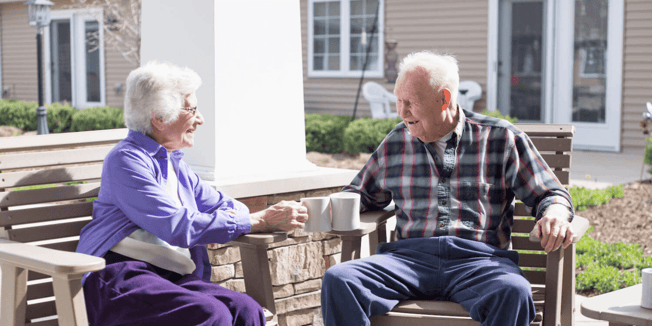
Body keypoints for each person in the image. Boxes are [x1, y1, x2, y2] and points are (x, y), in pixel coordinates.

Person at [321, 51, 575, 326]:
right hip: (407, 261)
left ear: (444, 99)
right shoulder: (397, 141)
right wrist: (316, 206)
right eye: (398, 101)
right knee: (340, 279)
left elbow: (550, 193)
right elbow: (360, 193)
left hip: (479, 263)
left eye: (411, 102)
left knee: (513, 292)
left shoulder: (501, 138)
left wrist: (555, 215)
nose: (402, 112)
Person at [76, 61, 308, 326]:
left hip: (168, 276)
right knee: (211, 314)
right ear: (160, 118)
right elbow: (177, 226)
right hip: (119, 276)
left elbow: (228, 206)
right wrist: (259, 220)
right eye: (192, 110)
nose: (200, 119)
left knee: (247, 310)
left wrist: (246, 217)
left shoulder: (176, 165)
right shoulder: (126, 160)